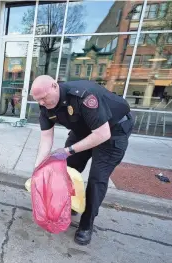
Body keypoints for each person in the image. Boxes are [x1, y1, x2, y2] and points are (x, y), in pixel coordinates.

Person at [30, 75, 133, 245]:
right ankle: (70, 205)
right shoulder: (45, 106)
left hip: (113, 131)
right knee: (67, 169)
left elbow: (102, 134)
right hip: (83, 130)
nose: (41, 103)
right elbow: (46, 139)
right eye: (37, 100)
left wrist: (68, 150)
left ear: (55, 86)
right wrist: (37, 168)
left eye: (43, 98)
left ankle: (86, 225)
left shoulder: (84, 96)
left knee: (96, 179)